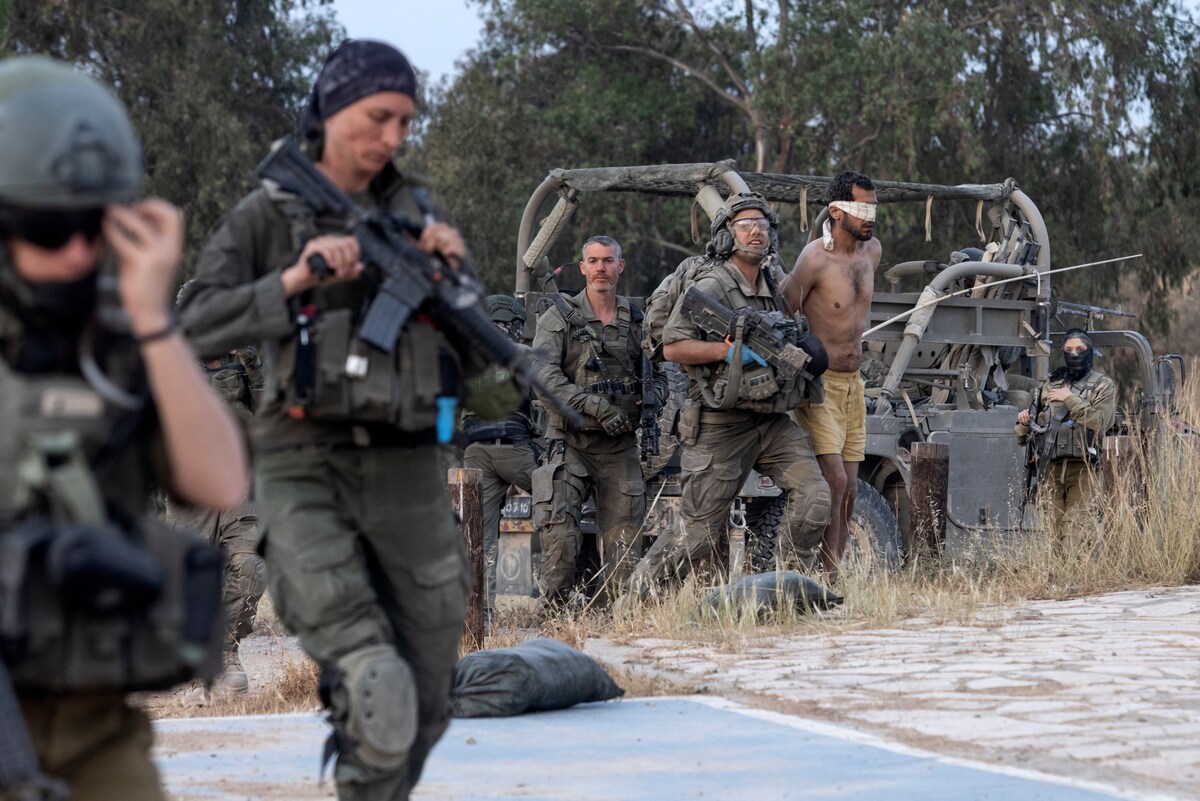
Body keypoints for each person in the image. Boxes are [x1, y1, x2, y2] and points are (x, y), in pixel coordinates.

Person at [177, 40, 497, 801]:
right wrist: (294, 277)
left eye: (406, 122)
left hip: (402, 464)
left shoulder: (416, 210)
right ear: (332, 107)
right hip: (295, 463)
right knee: (369, 668)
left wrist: (456, 285)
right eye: (378, 117)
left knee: (419, 694)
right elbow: (191, 328)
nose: (394, 137)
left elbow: (473, 371)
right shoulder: (266, 215)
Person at [0, 56, 248, 801]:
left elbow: (218, 479)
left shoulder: (123, 342)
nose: (78, 251)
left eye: (95, 224)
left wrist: (151, 317)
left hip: (94, 726)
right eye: (51, 227)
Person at [628, 193, 831, 594]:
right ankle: (636, 602)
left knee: (815, 497)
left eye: (762, 224)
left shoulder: (772, 285)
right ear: (726, 236)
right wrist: (729, 350)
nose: (756, 231)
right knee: (697, 534)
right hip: (721, 425)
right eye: (744, 225)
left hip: (770, 421)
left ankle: (790, 595)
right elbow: (672, 346)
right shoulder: (713, 285)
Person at [531, 236, 665, 605]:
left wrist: (654, 397)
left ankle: (618, 625)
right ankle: (555, 621)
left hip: (619, 448)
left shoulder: (638, 319)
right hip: (569, 443)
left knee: (625, 549)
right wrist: (596, 406)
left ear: (620, 267)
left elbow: (661, 374)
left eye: (608, 260)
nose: (601, 268)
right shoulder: (559, 316)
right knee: (560, 542)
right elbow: (544, 378)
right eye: (593, 261)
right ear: (583, 267)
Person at [782, 171, 882, 582]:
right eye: (861, 209)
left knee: (852, 489)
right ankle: (809, 577)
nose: (869, 217)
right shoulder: (814, 259)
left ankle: (832, 580)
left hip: (854, 386)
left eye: (873, 208)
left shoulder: (872, 251)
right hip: (820, 387)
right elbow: (783, 308)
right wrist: (800, 355)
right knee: (834, 483)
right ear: (836, 211)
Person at [166, 344, 266, 697]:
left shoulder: (245, 363)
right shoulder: (170, 361)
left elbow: (271, 412)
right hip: (190, 488)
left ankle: (226, 651)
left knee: (251, 565)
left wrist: (251, 364)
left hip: (239, 486)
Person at [461, 295, 539, 618]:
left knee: (478, 535)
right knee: (562, 501)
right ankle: (566, 592)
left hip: (476, 450)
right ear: (516, 324)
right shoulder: (522, 354)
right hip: (516, 448)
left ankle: (481, 611)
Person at [1015, 329, 1116, 540]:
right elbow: (1024, 436)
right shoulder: (1050, 386)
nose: (1074, 354)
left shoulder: (1102, 385)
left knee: (1077, 535)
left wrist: (1069, 398)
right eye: (1069, 350)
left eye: (1080, 349)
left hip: (1084, 470)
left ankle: (1075, 574)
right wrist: (1025, 423)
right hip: (1050, 470)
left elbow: (1100, 423)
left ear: (1089, 352)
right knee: (1051, 537)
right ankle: (1054, 574)